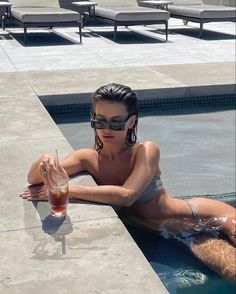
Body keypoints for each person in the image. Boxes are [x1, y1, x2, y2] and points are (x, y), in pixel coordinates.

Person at [20, 83, 236, 281]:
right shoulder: (87, 158)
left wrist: (67, 190)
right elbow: (33, 179)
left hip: (201, 216)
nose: (106, 129)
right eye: (99, 120)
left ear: (131, 121)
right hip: (172, 229)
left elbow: (127, 195)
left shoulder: (146, 150)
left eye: (116, 122)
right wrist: (45, 160)